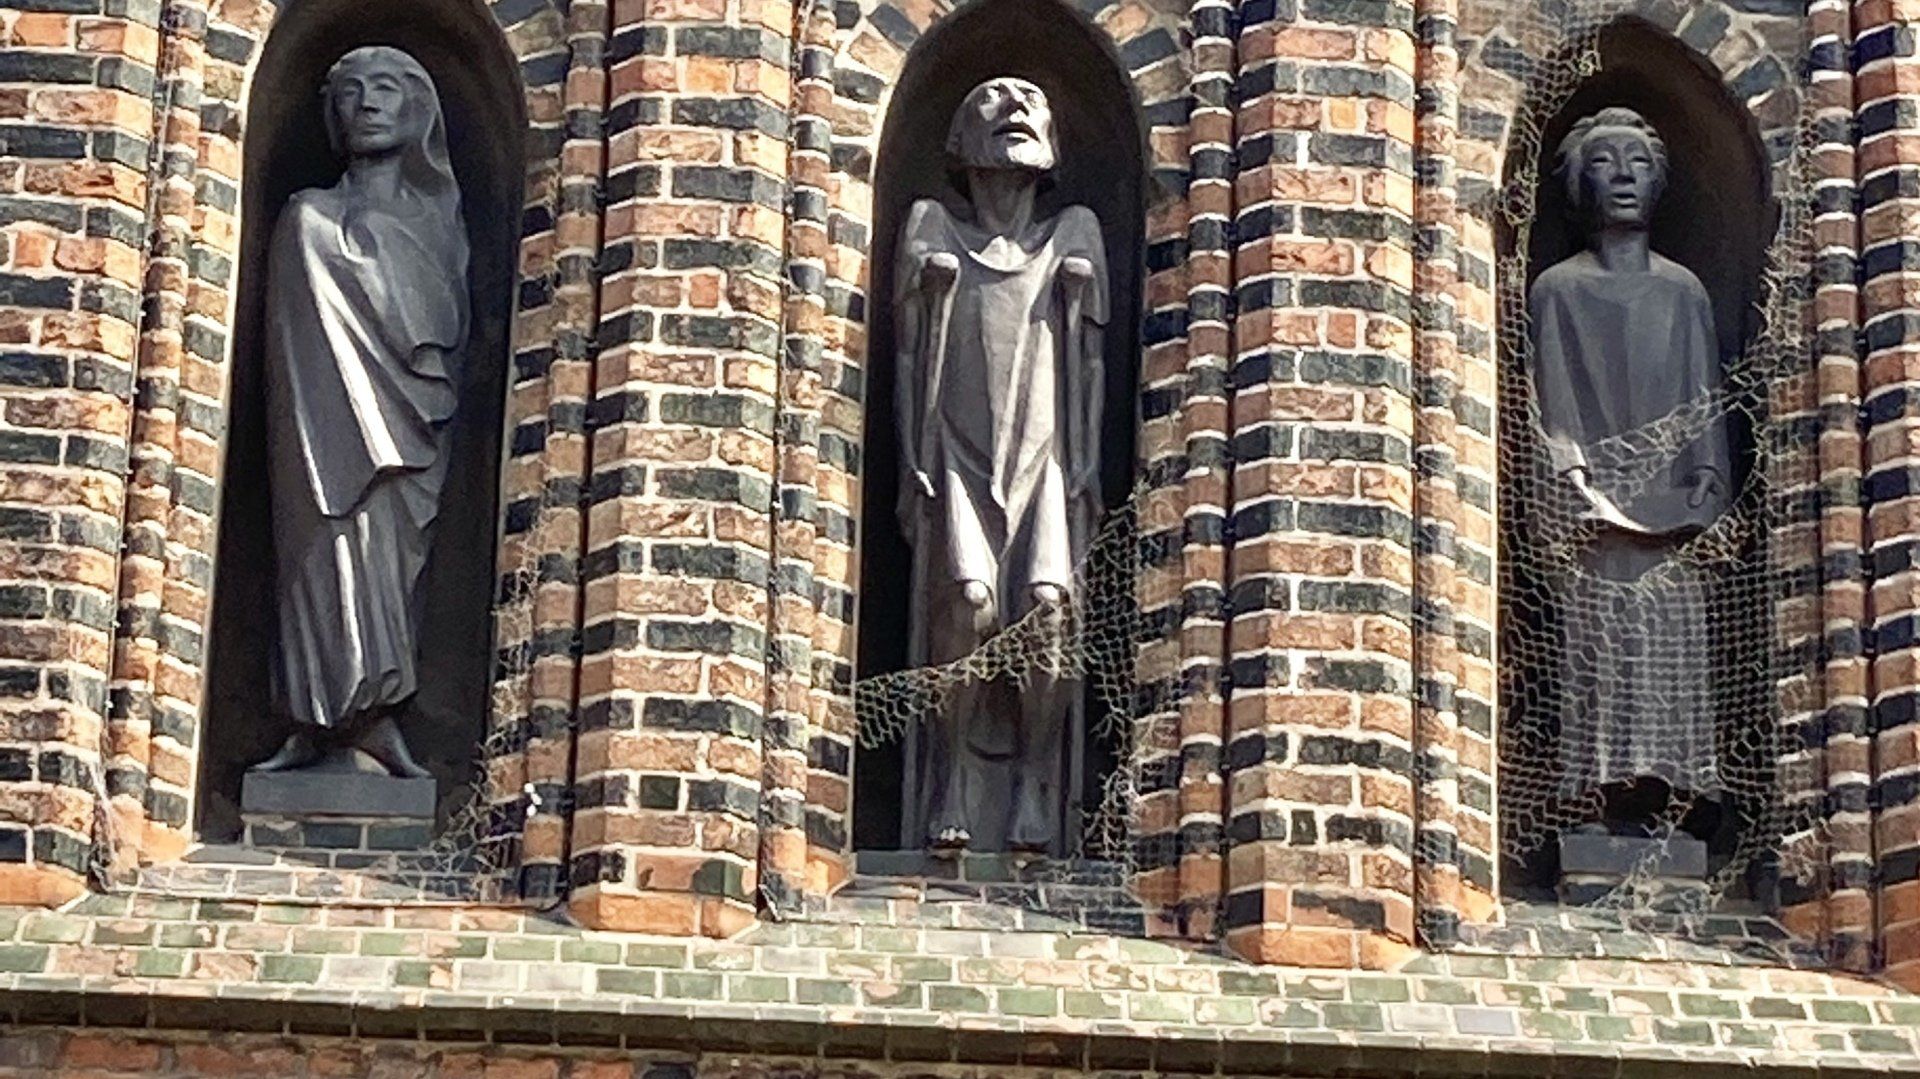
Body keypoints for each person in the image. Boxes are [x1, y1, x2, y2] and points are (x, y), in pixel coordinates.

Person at [895, 77, 1109, 854]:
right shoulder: (930, 226)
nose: (1015, 106)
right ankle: (950, 776)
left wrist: (1084, 462)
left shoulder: (1073, 232)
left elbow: (1088, 365)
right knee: (968, 597)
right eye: (989, 100)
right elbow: (910, 353)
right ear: (959, 141)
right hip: (958, 450)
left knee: (1048, 607)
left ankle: (1032, 781)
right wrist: (911, 462)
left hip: (1043, 459)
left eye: (1030, 101)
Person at [252, 46, 470, 779]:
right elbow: (295, 341)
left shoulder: (442, 227)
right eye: (350, 92)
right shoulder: (307, 217)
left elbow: (442, 333)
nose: (367, 104)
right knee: (318, 554)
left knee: (388, 563)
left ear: (418, 111)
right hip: (318, 429)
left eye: (385, 90)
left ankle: (377, 721)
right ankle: (311, 717)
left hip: (406, 441)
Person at [1528, 106, 1730, 836]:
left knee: (1668, 656)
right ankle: (1592, 795)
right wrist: (1571, 477)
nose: (1623, 178)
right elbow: (1552, 400)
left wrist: (1708, 477)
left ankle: (1672, 803)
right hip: (1597, 514)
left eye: (1638, 163)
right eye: (1606, 162)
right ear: (1581, 182)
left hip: (1672, 512)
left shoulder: (1683, 292)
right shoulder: (1560, 288)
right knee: (1602, 658)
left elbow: (1704, 396)